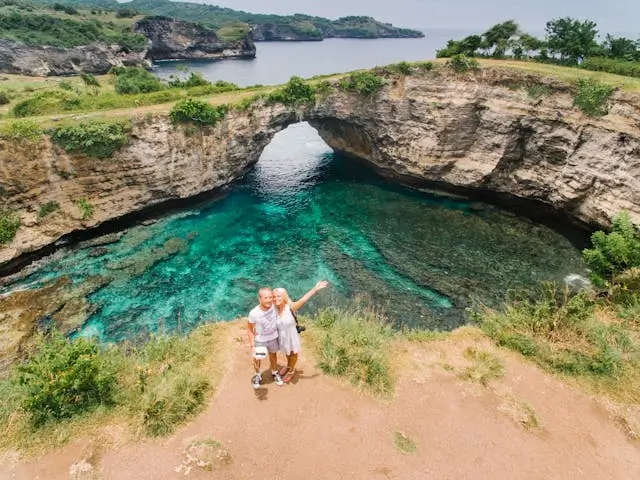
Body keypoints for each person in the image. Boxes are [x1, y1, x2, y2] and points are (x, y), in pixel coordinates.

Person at [273, 280, 329, 383]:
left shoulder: (290, 307)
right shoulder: (274, 309)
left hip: (291, 336)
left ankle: (291, 371)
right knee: (287, 353)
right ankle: (288, 366)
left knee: (293, 354)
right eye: (274, 296)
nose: (276, 298)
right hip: (282, 337)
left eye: (279, 296)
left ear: (284, 297)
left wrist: (315, 289)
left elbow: (303, 300)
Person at [248, 287, 284, 389]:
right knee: (257, 358)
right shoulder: (253, 313)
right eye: (266, 298)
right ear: (260, 299)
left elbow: (285, 300)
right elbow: (250, 329)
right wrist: (252, 345)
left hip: (273, 337)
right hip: (260, 340)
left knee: (273, 355)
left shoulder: (274, 305)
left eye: (270, 297)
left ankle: (274, 372)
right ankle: (257, 375)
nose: (269, 300)